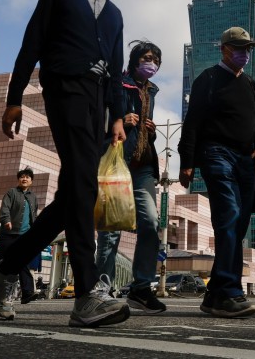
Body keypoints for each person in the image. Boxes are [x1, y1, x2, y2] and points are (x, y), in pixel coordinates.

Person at [0, 0, 129, 328]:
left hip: (98, 103)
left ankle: (7, 268)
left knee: (73, 196)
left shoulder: (115, 14)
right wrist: (14, 97)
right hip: (65, 89)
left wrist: (116, 116)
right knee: (84, 186)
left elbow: (117, 70)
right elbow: (31, 43)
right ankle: (86, 294)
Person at [178, 27, 255, 319]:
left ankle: (215, 293)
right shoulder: (209, 79)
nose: (244, 53)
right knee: (227, 216)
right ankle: (230, 291)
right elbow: (192, 121)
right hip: (216, 153)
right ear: (224, 48)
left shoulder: (250, 84)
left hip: (246, 159)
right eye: (239, 47)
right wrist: (186, 161)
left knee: (239, 225)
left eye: (248, 48)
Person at [96, 40, 166, 315]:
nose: (152, 63)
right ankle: (102, 289)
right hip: (117, 162)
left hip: (143, 167)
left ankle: (140, 289)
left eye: (156, 60)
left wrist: (151, 130)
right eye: (147, 58)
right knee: (111, 230)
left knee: (150, 224)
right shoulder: (117, 83)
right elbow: (99, 116)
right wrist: (120, 120)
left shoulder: (152, 91)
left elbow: (142, 131)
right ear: (135, 60)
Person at [0, 168, 39, 305]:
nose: (24, 179)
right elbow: (5, 209)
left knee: (22, 262)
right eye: (22, 177)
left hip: (24, 235)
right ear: (18, 179)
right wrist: (6, 220)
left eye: (27, 177)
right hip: (8, 234)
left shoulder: (33, 197)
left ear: (31, 181)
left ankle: (27, 292)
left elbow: (34, 215)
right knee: (2, 261)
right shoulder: (12, 192)